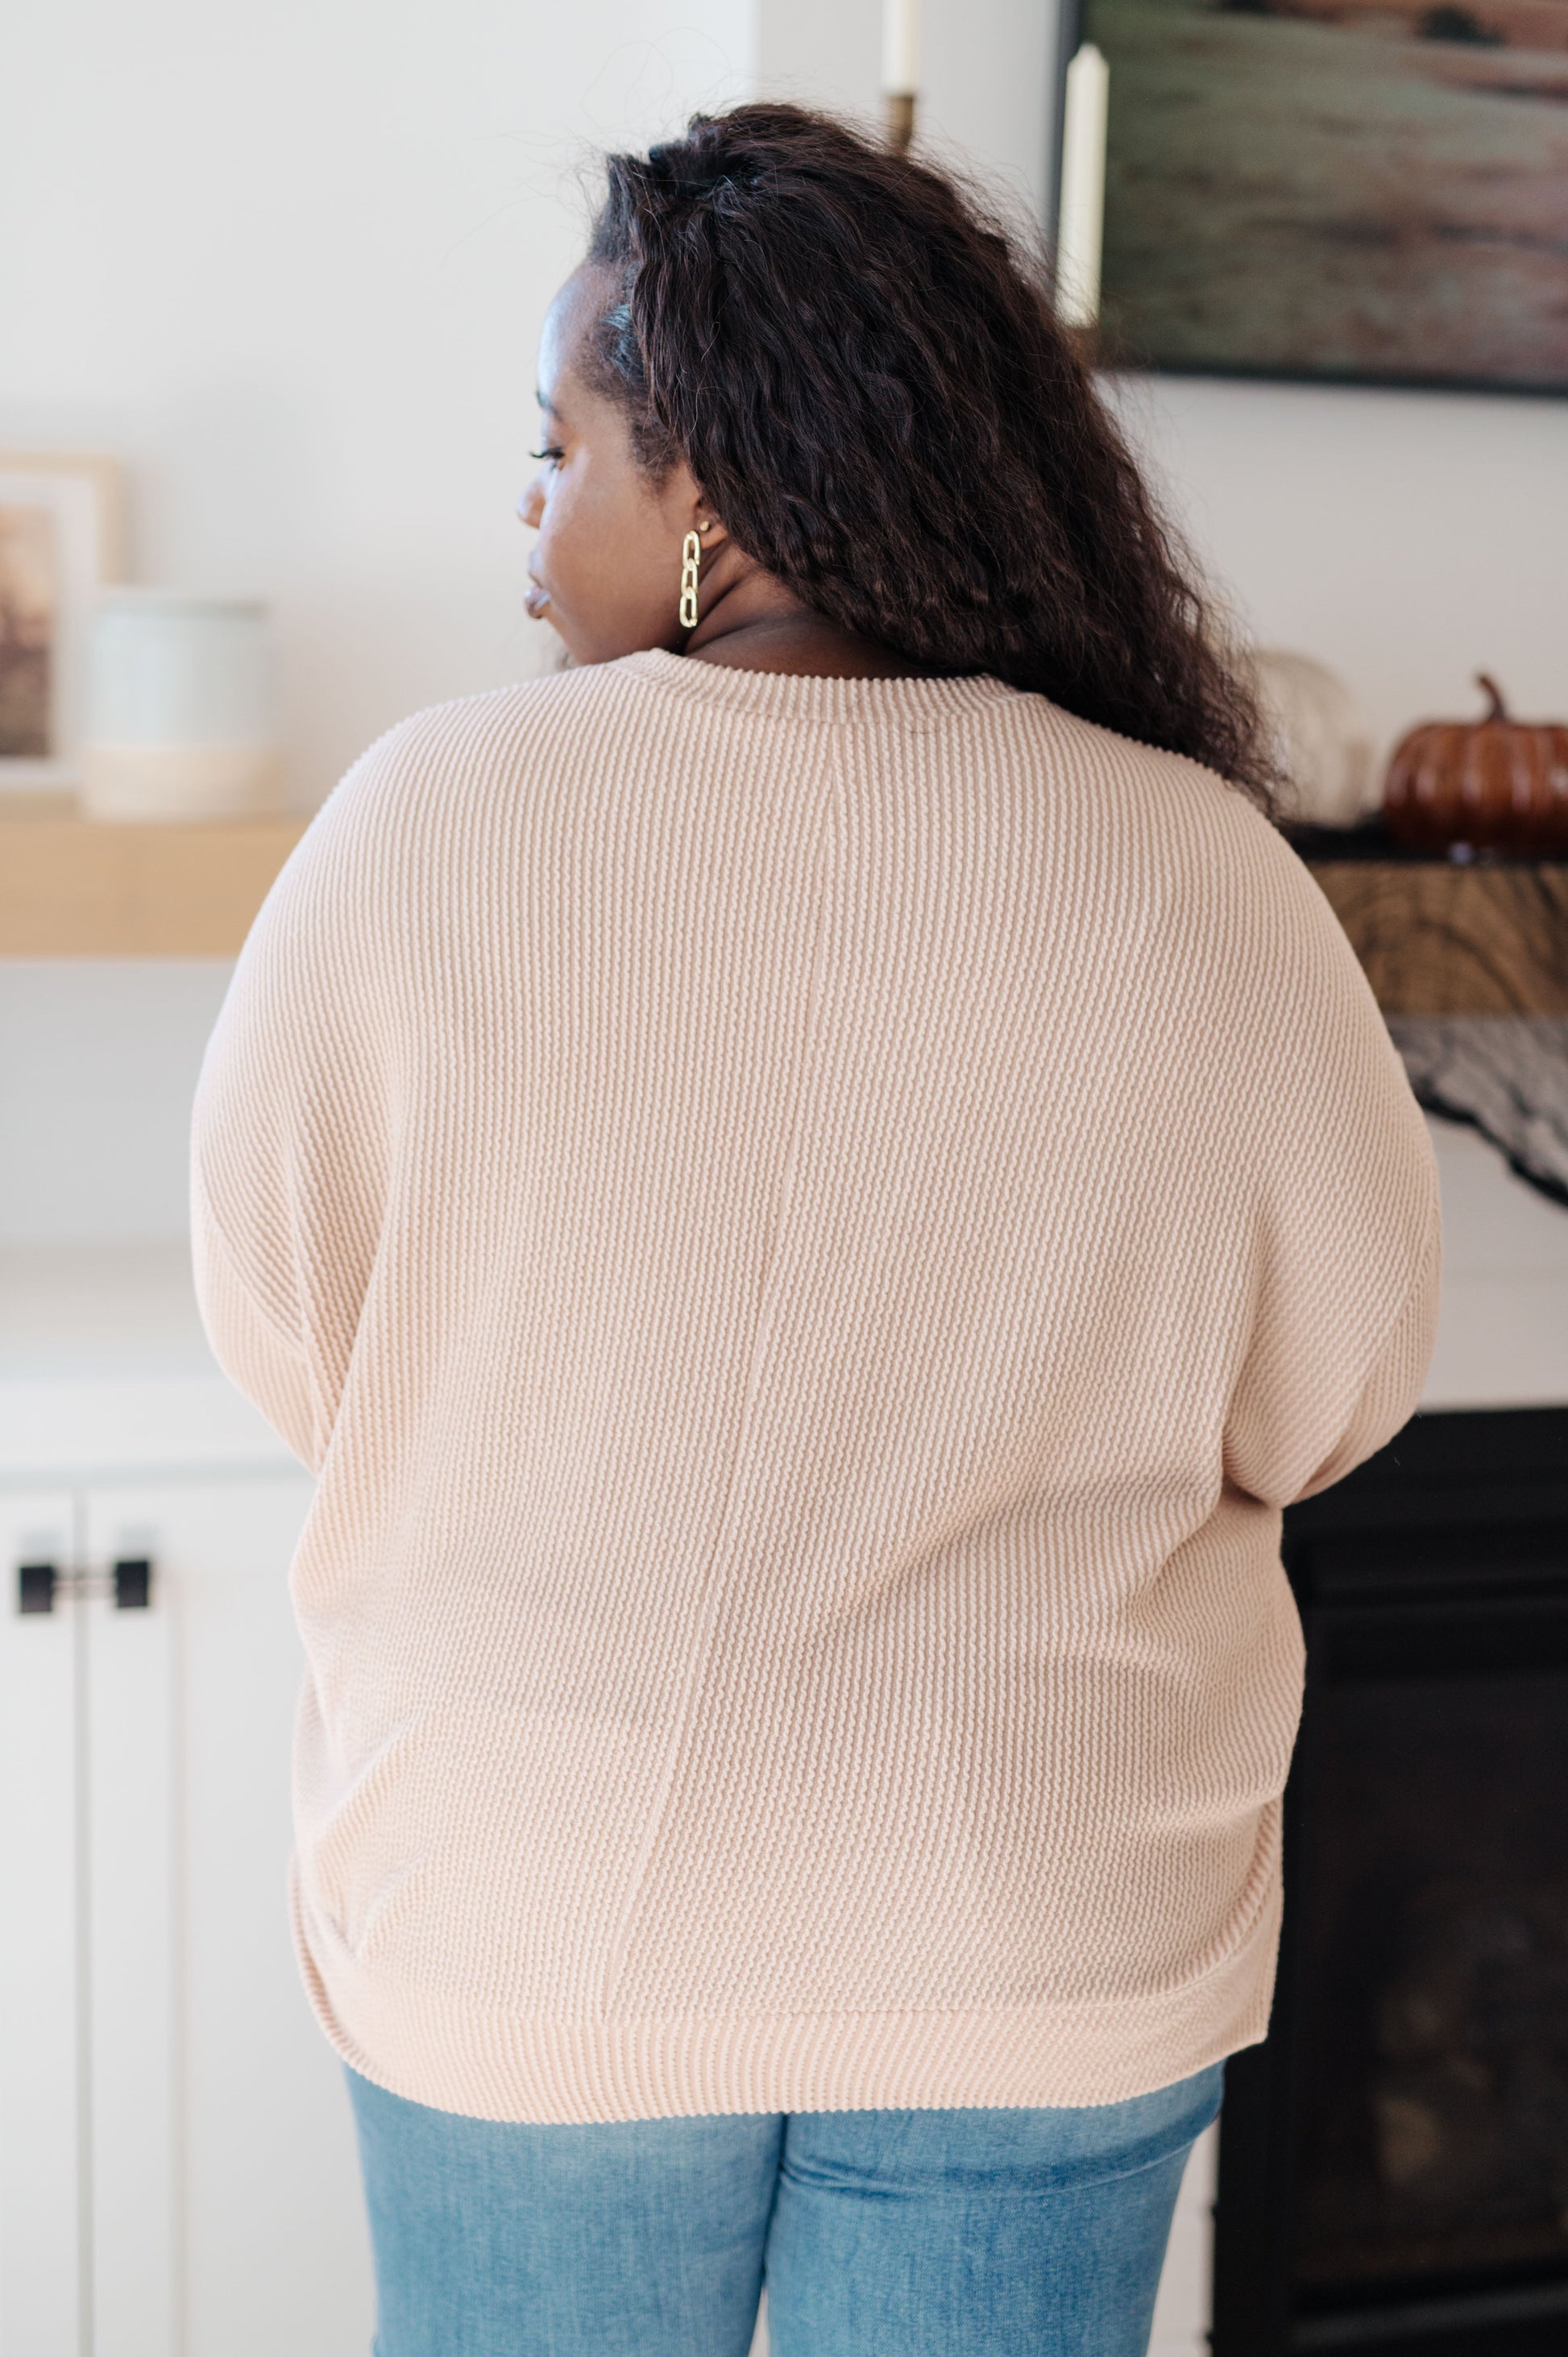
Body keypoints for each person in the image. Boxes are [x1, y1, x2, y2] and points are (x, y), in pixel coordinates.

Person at [190, 103, 1441, 2357]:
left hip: (541, 1901)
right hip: (1032, 1912)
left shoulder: (428, 822)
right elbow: (1333, 1393)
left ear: (714, 494)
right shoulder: (1194, 866)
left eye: (556, 447)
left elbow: (294, 1335)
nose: (527, 512)